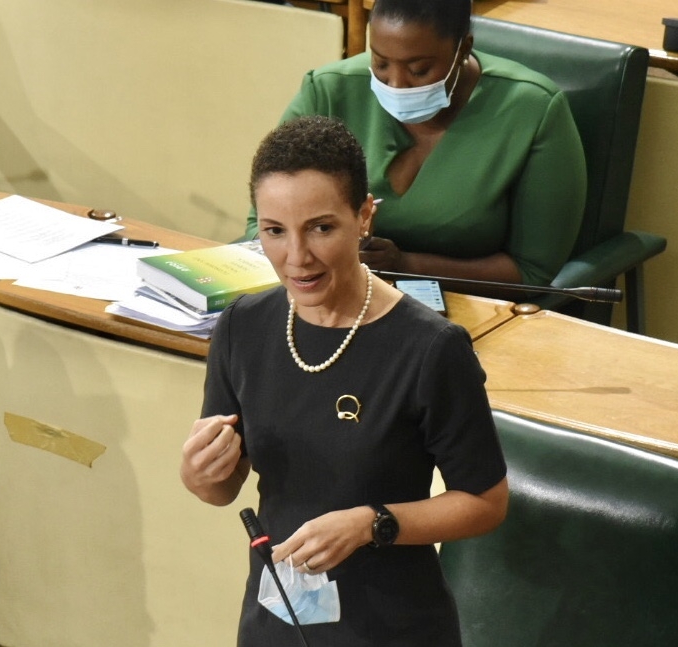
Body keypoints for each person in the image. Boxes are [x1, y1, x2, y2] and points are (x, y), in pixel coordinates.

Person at [182, 115, 508, 646]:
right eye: (274, 231)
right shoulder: (243, 326)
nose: (297, 257)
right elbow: (222, 488)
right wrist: (199, 474)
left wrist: (370, 524)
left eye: (321, 228)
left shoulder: (431, 348)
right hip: (279, 620)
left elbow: (485, 502)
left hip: (391, 627)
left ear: (364, 217)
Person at [244, 0, 587, 291]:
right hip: (325, 294)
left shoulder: (532, 110)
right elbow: (261, 225)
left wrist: (406, 265)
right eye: (380, 63)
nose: (396, 83)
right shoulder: (328, 92)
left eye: (419, 69)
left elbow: (532, 272)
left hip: (467, 308)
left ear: (463, 49)